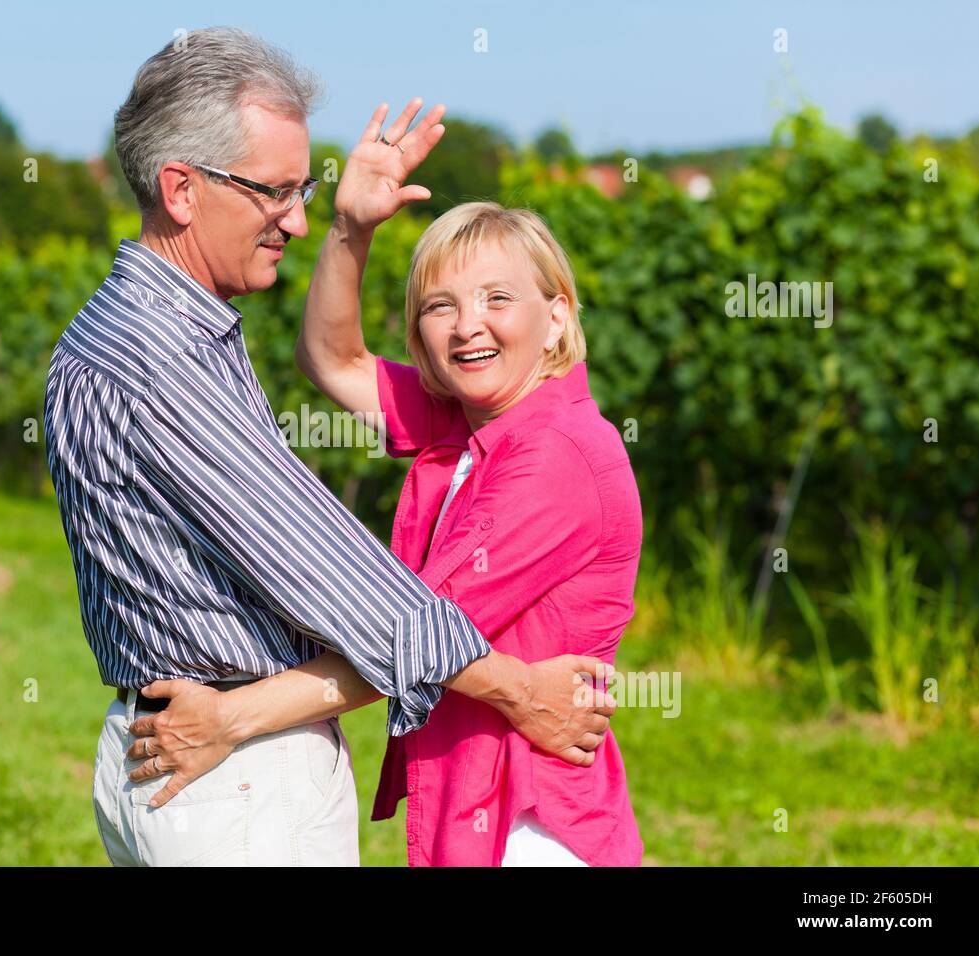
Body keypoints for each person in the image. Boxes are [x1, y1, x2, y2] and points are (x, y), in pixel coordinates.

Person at [44, 26, 614, 867]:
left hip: (181, 751)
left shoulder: (102, 336)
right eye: (276, 192)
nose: (298, 220)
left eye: (306, 191)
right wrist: (523, 690)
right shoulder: (167, 366)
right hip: (232, 780)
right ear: (182, 189)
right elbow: (358, 591)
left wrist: (354, 225)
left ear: (558, 312)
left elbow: (335, 365)